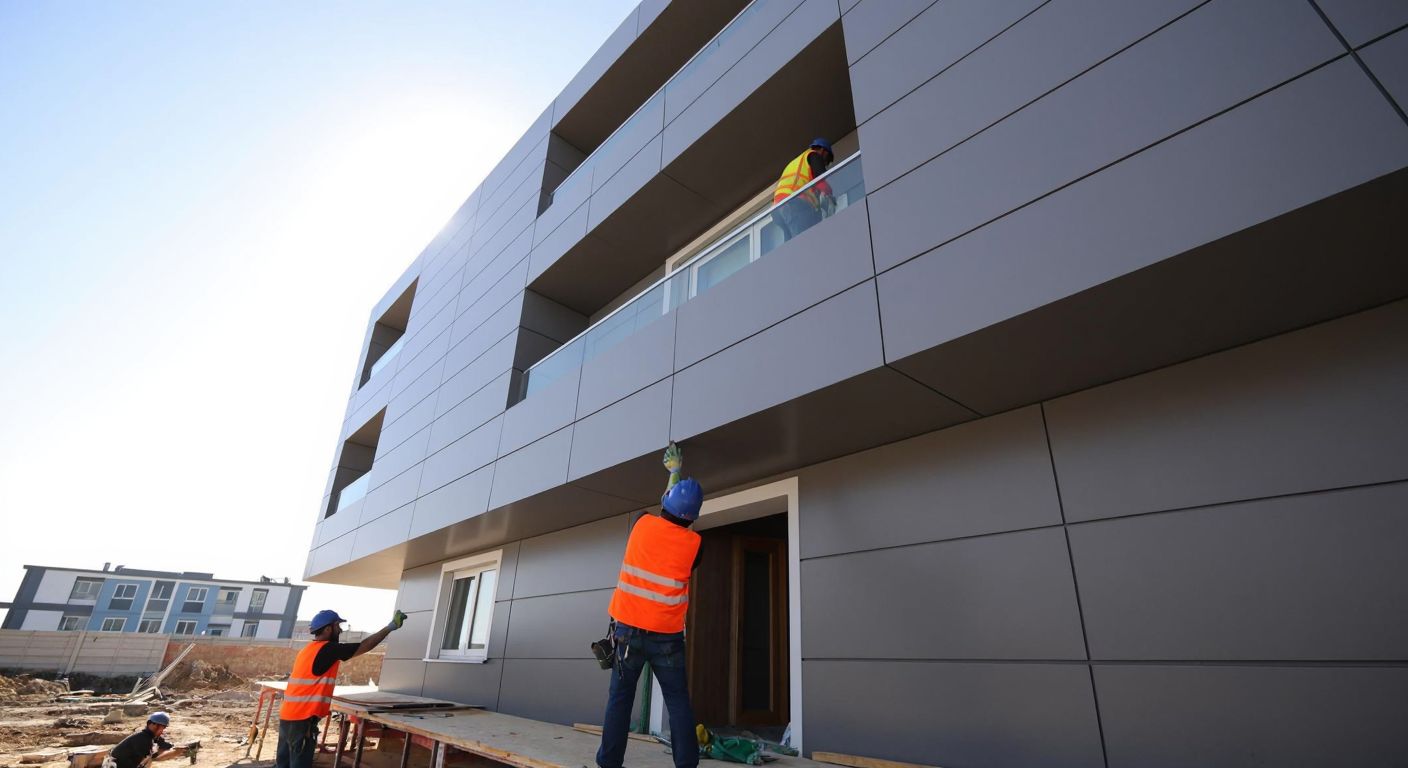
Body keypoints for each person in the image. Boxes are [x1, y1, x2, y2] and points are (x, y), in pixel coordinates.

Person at [596, 442, 704, 768]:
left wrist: (674, 471)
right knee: (677, 701)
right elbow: (674, 518)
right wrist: (677, 475)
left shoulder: (641, 525)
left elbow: (663, 510)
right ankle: (687, 765)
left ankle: (610, 763)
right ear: (693, 518)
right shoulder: (695, 547)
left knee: (620, 698)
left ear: (666, 503)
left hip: (628, 633)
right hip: (667, 638)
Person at [275, 608, 407, 768]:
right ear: (328, 628)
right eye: (338, 626)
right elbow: (363, 646)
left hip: (288, 716)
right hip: (302, 720)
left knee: (283, 764)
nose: (341, 630)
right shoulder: (327, 649)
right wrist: (390, 627)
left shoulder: (307, 650)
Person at [771, 137, 835, 241]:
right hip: (793, 203)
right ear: (823, 151)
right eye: (828, 160)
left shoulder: (797, 163)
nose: (826, 164)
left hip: (778, 209)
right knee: (803, 241)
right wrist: (830, 195)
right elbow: (821, 180)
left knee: (791, 244)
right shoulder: (814, 155)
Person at [107, 712, 175, 768]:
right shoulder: (143, 739)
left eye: (163, 728)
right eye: (162, 728)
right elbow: (153, 757)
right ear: (151, 724)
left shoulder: (147, 735)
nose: (162, 730)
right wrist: (173, 751)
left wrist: (170, 746)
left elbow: (160, 742)